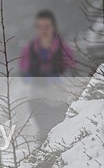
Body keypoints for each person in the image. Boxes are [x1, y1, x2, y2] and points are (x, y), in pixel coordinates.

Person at [18, 9, 76, 142]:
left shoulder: (63, 48)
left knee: (60, 130)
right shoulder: (29, 48)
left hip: (60, 97)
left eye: (47, 27)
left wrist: (56, 79)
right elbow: (23, 73)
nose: (43, 30)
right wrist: (35, 79)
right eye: (40, 27)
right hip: (37, 97)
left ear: (54, 27)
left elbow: (73, 72)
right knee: (44, 130)